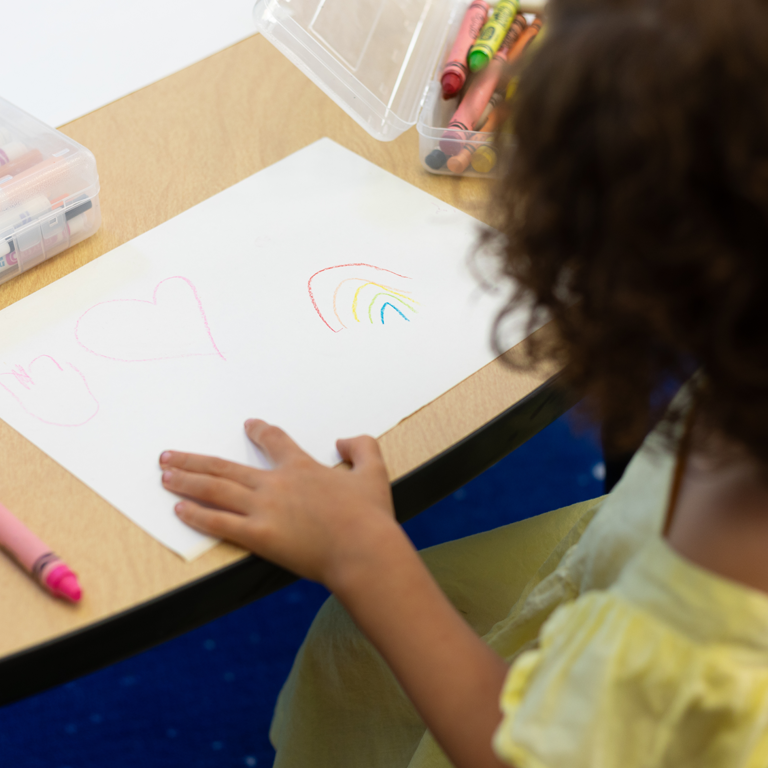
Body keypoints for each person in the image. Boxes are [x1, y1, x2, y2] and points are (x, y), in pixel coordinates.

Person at [157, 0, 768, 764]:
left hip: (597, 714)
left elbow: (517, 751)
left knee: (366, 634)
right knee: (352, 652)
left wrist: (361, 551)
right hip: (618, 565)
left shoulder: (708, 603)